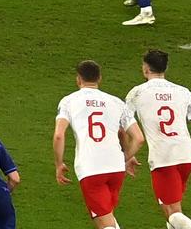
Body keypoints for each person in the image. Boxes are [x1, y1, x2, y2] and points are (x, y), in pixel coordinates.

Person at [54, 60, 144, 229]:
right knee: (106, 219)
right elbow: (138, 138)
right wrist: (126, 156)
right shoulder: (116, 102)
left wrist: (59, 164)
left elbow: (59, 135)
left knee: (105, 224)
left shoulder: (69, 101)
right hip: (116, 169)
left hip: (91, 169)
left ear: (78, 79)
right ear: (99, 78)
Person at [124, 50, 191, 229]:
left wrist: (128, 154)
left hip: (163, 158)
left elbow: (124, 126)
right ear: (165, 68)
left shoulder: (136, 93)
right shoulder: (184, 92)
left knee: (172, 212)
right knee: (174, 207)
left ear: (146, 69)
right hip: (186, 155)